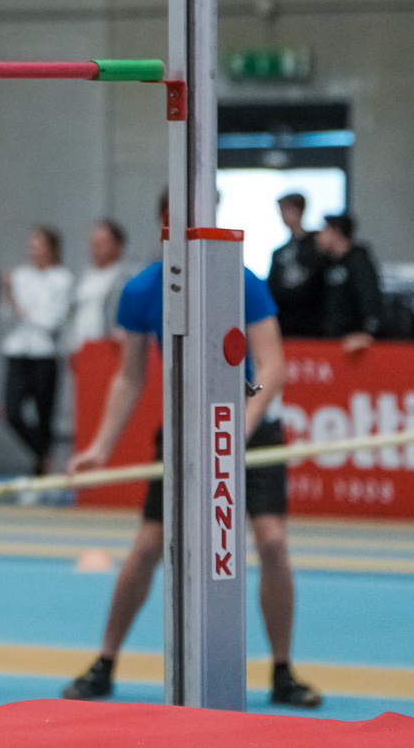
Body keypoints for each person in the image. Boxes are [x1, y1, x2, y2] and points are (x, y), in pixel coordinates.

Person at [61, 196, 320, 708]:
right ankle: (104, 662)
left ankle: (283, 671)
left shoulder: (242, 281)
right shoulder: (142, 290)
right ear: (165, 222)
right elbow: (129, 376)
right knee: (148, 545)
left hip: (250, 427)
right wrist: (100, 446)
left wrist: (239, 426)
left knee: (272, 542)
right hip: (185, 430)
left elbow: (272, 365)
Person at [0, 226, 73, 475]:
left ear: (52, 248)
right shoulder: (20, 276)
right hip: (18, 351)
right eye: (31, 246)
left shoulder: (62, 278)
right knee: (12, 411)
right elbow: (6, 315)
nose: (34, 251)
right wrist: (10, 296)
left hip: (45, 353)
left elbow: (52, 320)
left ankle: (41, 470)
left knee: (44, 415)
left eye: (39, 246)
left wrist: (21, 310)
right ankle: (44, 455)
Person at [310, 214, 382, 350]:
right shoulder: (323, 264)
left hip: (353, 342)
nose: (318, 236)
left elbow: (370, 298)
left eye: (324, 230)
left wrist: (367, 332)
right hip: (328, 339)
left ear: (336, 233)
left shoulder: (359, 261)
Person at [266, 193, 324, 336]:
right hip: (285, 321)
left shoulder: (317, 245)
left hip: (313, 322)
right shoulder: (279, 252)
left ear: (299, 210)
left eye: (287, 209)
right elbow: (272, 285)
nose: (283, 215)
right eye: (281, 210)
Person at [67, 219, 129, 349]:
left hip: (109, 346)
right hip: (79, 345)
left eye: (103, 242)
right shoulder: (82, 276)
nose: (97, 247)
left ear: (119, 244)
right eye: (94, 242)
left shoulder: (127, 277)